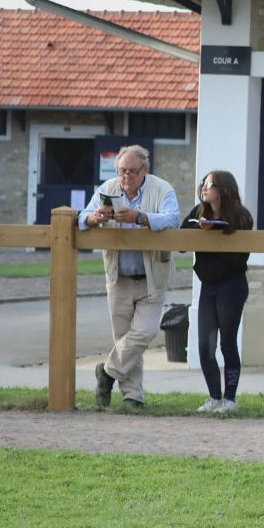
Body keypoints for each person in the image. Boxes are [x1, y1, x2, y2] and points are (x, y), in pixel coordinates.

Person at [80, 145, 180, 411]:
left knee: (145, 332)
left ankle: (107, 372)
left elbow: (173, 218)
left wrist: (141, 217)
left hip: (152, 276)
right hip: (119, 276)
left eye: (133, 172)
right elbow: (81, 217)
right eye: (122, 171)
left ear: (144, 170)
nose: (127, 177)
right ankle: (133, 396)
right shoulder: (107, 189)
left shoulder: (163, 189)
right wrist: (93, 218)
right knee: (124, 338)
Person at [184, 170, 252, 414]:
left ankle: (230, 398)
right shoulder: (198, 212)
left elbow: (239, 257)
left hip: (232, 286)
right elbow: (181, 241)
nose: (204, 188)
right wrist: (198, 231)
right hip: (208, 286)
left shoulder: (241, 216)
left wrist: (214, 232)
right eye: (203, 183)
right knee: (204, 344)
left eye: (210, 184)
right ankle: (213, 396)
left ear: (223, 188)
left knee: (227, 343)